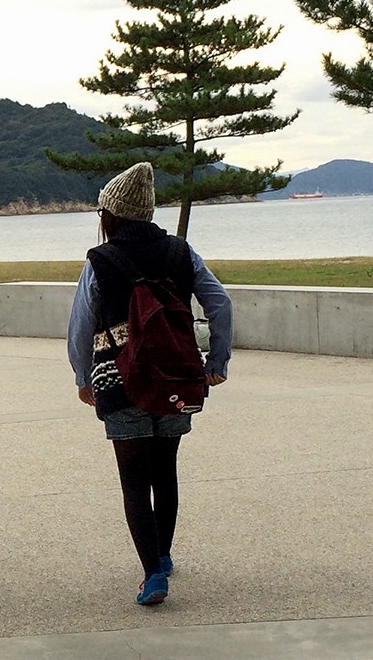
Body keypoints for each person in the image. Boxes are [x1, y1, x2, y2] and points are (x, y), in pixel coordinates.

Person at [67, 162, 233, 606]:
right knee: (165, 470)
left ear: (110, 215)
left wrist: (83, 376)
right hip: (177, 377)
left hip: (121, 380)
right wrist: (215, 362)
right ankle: (162, 554)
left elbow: (81, 324)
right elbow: (220, 302)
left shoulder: (100, 260)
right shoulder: (181, 252)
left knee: (134, 480)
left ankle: (152, 575)